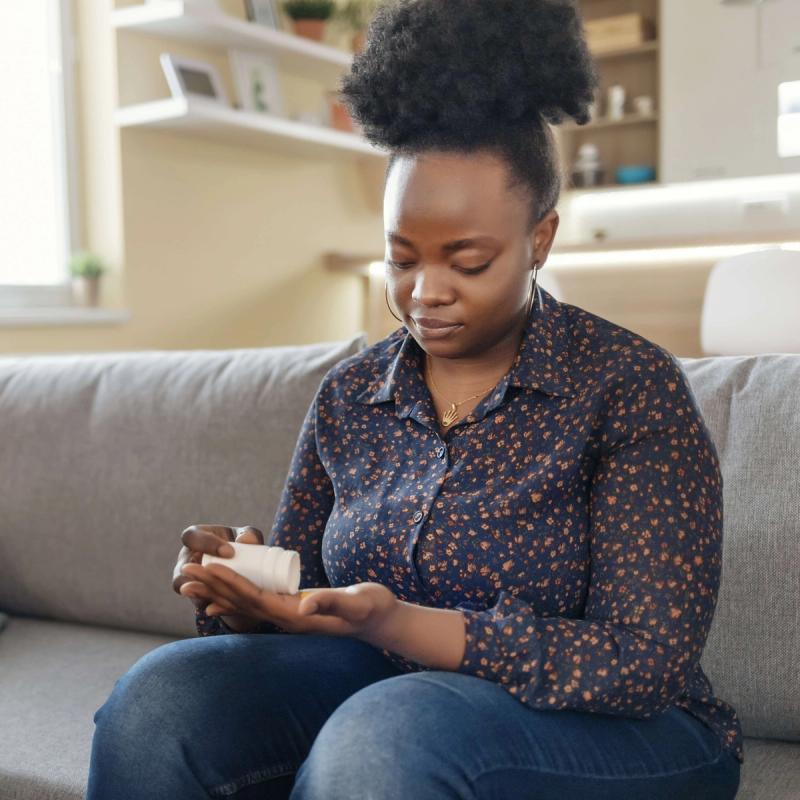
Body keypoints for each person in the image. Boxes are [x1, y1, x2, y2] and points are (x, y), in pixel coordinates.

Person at [86, 1, 743, 797]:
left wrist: (397, 623)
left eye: (467, 261)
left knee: (390, 733)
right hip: (386, 696)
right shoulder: (353, 394)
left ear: (540, 239)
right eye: (402, 258)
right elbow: (308, 596)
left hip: (626, 732)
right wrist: (254, 592)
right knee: (164, 699)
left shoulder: (626, 387)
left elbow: (644, 664)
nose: (425, 292)